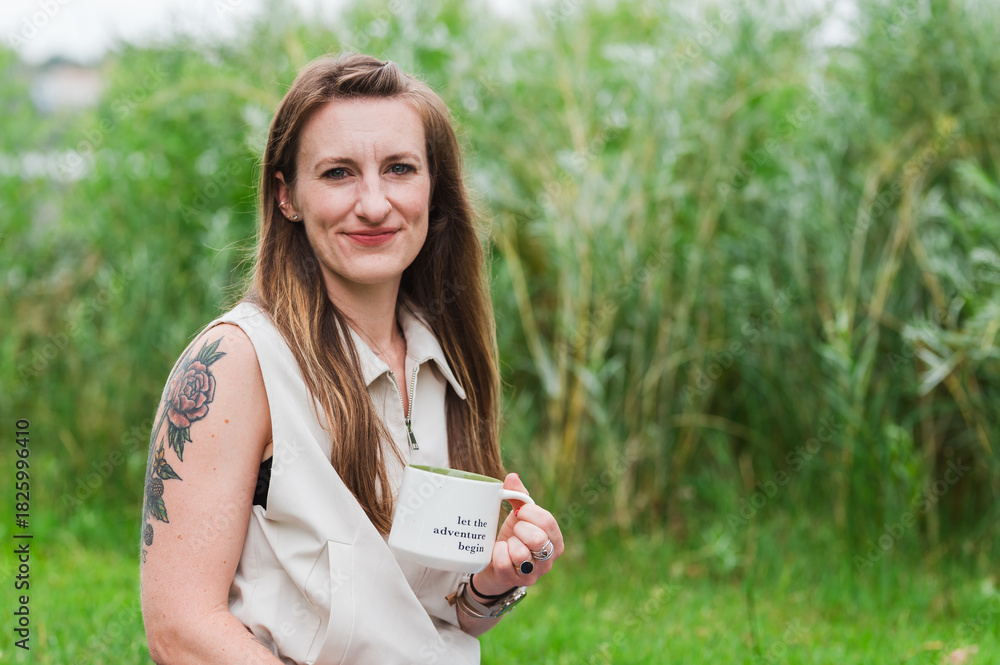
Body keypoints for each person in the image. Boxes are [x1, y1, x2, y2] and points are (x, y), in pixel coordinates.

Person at [139, 53, 564, 664]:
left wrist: (496, 581)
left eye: (399, 169)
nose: (373, 203)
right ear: (287, 197)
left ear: (432, 187)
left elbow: (436, 618)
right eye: (338, 173)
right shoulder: (236, 362)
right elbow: (180, 632)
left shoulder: (447, 361)